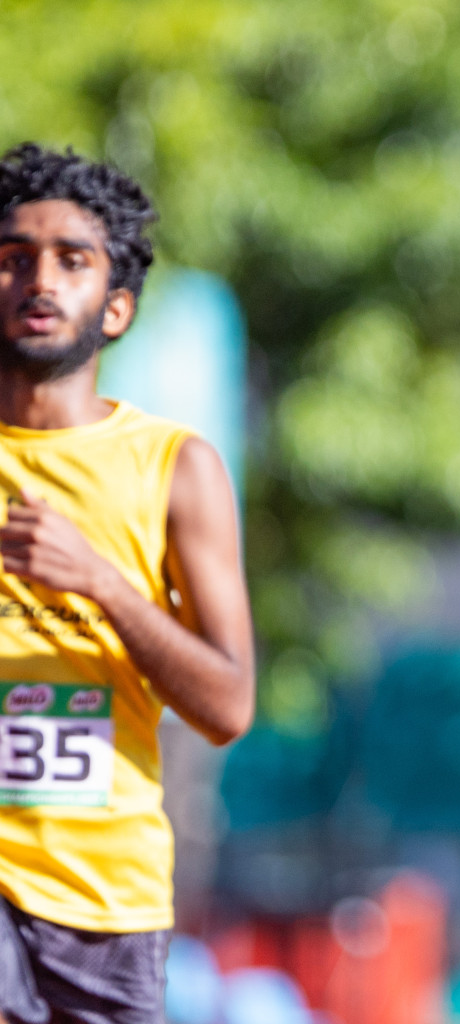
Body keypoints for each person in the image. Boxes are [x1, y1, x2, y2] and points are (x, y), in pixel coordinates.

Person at [0, 144, 255, 1023]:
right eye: (13, 258)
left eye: (72, 260)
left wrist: (101, 581)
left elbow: (227, 706)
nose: (39, 278)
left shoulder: (177, 469)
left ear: (116, 308)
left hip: (108, 900)